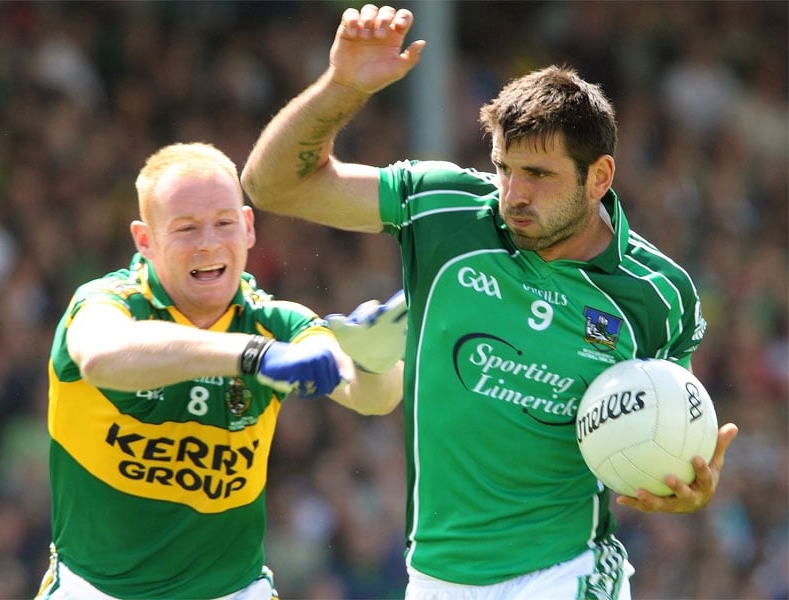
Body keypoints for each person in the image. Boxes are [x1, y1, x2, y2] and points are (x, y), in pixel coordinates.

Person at [239, 5, 740, 599]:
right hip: (435, 577)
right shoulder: (443, 209)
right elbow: (270, 185)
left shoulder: (659, 294)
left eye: (539, 175)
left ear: (599, 177)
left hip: (567, 571)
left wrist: (687, 482)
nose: (514, 194)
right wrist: (340, 87)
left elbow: (669, 427)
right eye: (504, 168)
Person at [36, 142, 404, 600]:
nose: (209, 243)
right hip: (94, 590)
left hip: (233, 591)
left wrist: (374, 360)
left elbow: (371, 397)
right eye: (186, 228)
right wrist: (253, 355)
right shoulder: (106, 302)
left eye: (224, 223)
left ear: (248, 227)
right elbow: (101, 355)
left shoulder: (277, 321)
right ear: (145, 240)